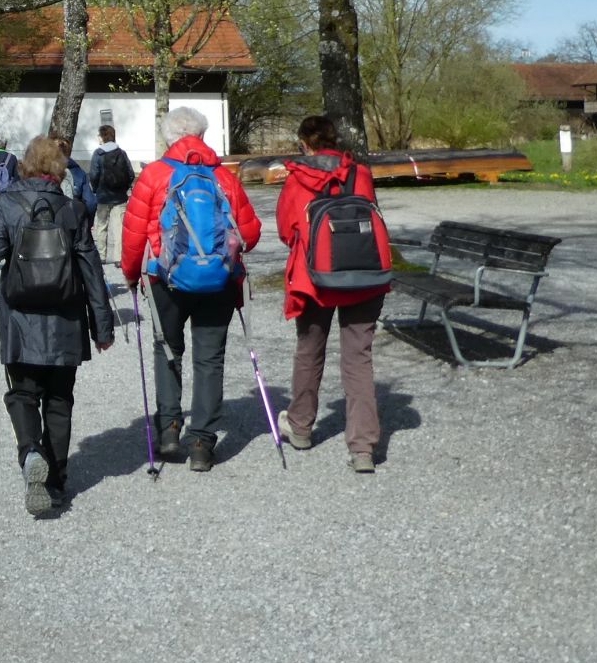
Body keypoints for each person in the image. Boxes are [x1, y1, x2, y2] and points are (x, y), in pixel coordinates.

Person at [0, 136, 116, 515]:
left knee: (22, 395)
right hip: (66, 321)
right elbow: (92, 272)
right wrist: (102, 328)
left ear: (24, 165)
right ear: (58, 170)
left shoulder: (8, 204)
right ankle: (55, 483)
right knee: (59, 401)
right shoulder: (73, 210)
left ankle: (30, 453)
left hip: (20, 322)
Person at [120, 106, 262, 471]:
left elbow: (134, 233)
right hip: (218, 280)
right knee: (209, 358)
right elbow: (250, 232)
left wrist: (130, 275)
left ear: (169, 138)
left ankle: (169, 430)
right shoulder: (222, 177)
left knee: (168, 349)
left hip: (165, 280)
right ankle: (202, 444)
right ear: (202, 135)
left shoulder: (153, 175)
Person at [277, 114, 390, 473]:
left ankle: (300, 428)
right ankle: (362, 448)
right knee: (359, 358)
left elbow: (285, 229)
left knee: (309, 352)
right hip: (363, 276)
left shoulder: (298, 178)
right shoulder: (360, 172)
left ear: (305, 144)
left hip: (315, 278)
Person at [87, 124, 134, 265]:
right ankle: (119, 258)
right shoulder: (122, 153)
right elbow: (130, 174)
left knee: (101, 226)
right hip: (120, 197)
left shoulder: (98, 154)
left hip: (103, 195)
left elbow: (94, 175)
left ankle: (102, 255)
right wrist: (124, 188)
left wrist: (96, 189)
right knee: (119, 227)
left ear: (103, 136)